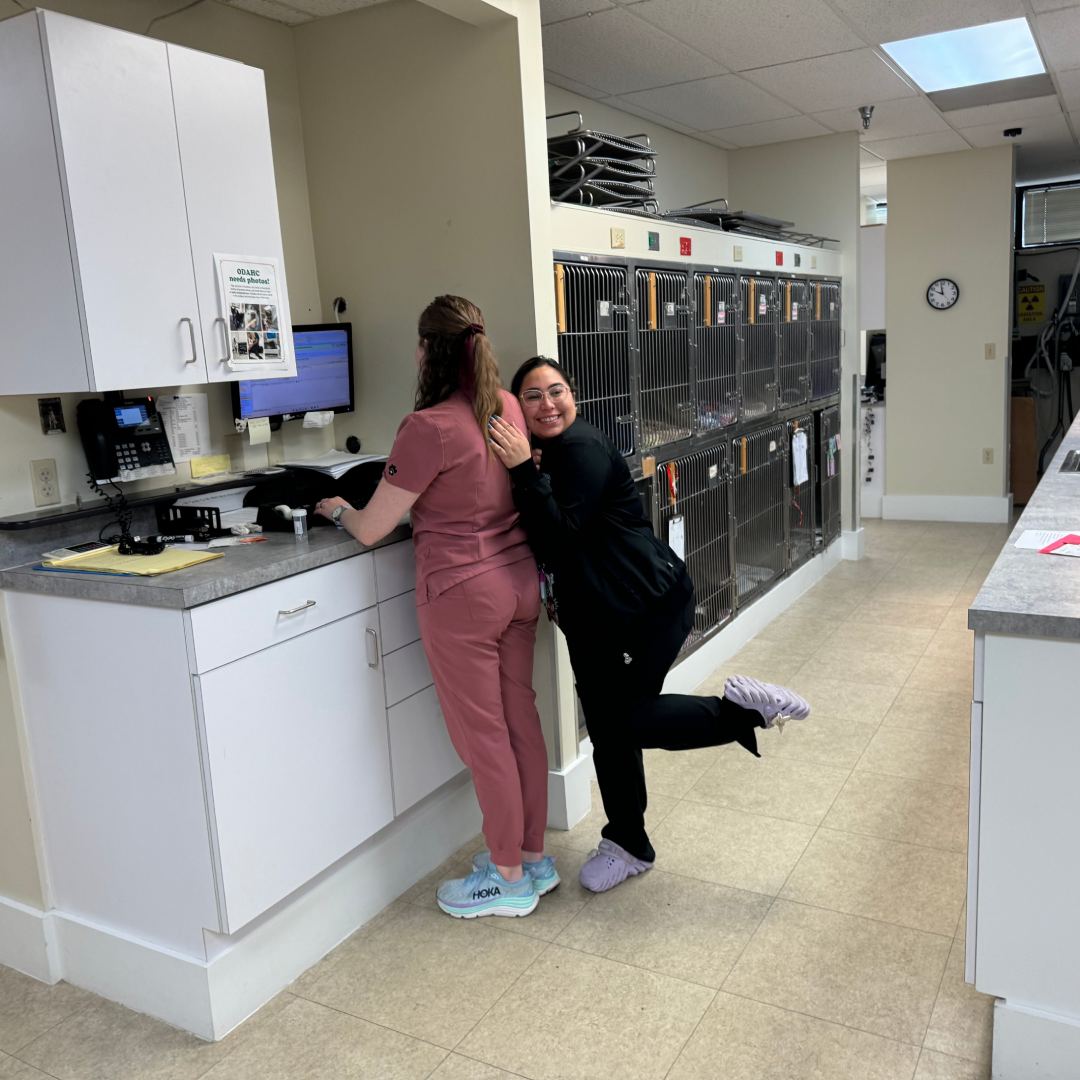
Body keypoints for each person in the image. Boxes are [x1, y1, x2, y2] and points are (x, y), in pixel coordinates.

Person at [488, 356, 811, 893]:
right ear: (517, 407)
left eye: (556, 391)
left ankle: (740, 713)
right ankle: (627, 843)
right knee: (612, 729)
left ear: (575, 397)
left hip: (642, 610)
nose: (547, 403)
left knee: (622, 724)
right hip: (597, 618)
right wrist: (531, 468)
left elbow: (560, 536)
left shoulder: (582, 450)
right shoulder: (554, 456)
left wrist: (523, 469)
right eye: (532, 395)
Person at [314, 297, 556, 919]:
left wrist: (336, 507)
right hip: (520, 584)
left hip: (463, 598)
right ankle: (531, 855)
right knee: (519, 720)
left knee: (484, 737)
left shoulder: (427, 428)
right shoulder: (504, 405)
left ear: (428, 350)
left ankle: (505, 877)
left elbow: (372, 528)